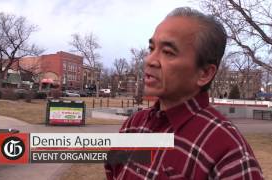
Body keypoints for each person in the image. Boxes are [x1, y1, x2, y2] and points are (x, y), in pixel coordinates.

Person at [105, 7, 263, 180]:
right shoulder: (133, 126)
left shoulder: (229, 153)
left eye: (167, 52)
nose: (149, 60)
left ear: (204, 73)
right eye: (152, 49)